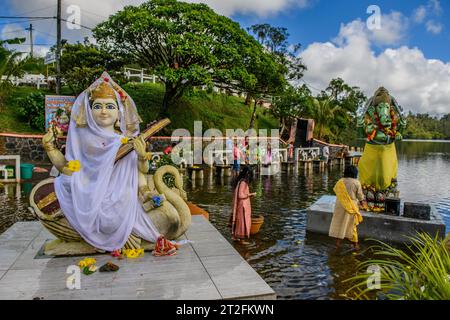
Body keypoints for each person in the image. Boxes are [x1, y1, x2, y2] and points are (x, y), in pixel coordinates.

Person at [329, 165, 367, 250]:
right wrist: (363, 204)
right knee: (352, 226)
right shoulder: (356, 182)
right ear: (355, 173)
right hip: (350, 207)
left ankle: (337, 244)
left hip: (340, 205)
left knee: (339, 224)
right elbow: (360, 197)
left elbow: (337, 191)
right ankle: (355, 245)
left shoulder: (340, 181)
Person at [230, 167, 256, 241]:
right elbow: (240, 195)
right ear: (248, 174)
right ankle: (240, 239)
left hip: (242, 205)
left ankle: (238, 238)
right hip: (242, 206)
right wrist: (250, 195)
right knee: (242, 221)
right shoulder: (243, 182)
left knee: (241, 221)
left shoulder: (241, 181)